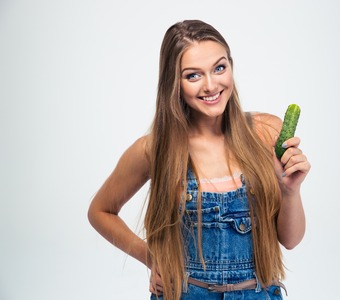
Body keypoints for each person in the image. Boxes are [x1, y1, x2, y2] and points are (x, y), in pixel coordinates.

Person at [88, 19, 310, 300]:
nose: (210, 85)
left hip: (257, 293)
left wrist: (291, 190)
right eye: (193, 75)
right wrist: (151, 258)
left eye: (219, 68)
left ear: (231, 66)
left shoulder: (266, 132)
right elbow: (100, 211)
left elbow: (290, 240)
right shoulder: (155, 148)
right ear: (174, 83)